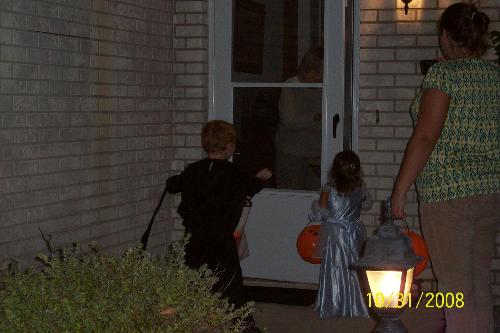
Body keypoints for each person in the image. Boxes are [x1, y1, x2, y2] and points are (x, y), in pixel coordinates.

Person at [391, 3, 499, 332]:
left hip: (448, 195)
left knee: (455, 291)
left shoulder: (442, 75)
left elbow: (425, 137)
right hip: (490, 191)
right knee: (478, 285)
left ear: (445, 36)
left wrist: (400, 190)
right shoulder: (494, 76)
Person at [166, 120, 272, 333]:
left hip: (194, 238)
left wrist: (179, 179)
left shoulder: (194, 170)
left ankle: (181, 319)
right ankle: (244, 325)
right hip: (220, 239)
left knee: (191, 279)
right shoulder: (233, 173)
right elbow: (249, 187)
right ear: (230, 146)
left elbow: (173, 185)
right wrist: (262, 178)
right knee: (231, 283)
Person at [312, 150, 372, 318]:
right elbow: (366, 206)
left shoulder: (328, 190)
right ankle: (357, 303)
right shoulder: (361, 189)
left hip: (335, 234)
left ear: (334, 170)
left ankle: (334, 303)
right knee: (355, 267)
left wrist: (315, 211)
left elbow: (321, 213)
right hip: (354, 233)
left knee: (335, 267)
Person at [275, 47, 323, 190]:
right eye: (316, 72)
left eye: (322, 72)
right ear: (306, 68)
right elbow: (289, 121)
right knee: (291, 196)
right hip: (291, 154)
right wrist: (315, 117)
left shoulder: (326, 88)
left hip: (318, 155)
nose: (319, 77)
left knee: (316, 200)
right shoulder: (291, 86)